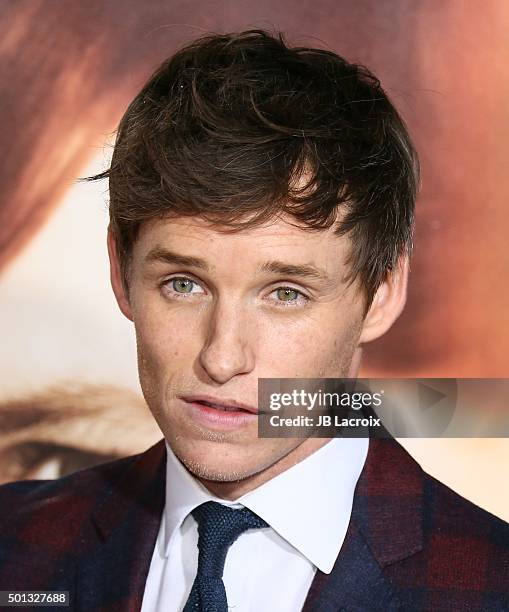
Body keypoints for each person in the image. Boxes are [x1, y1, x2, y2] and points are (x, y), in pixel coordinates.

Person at [0, 30, 507, 612]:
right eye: (183, 285)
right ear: (121, 273)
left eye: (285, 293)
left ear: (382, 294)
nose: (222, 357)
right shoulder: (13, 550)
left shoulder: (492, 585)